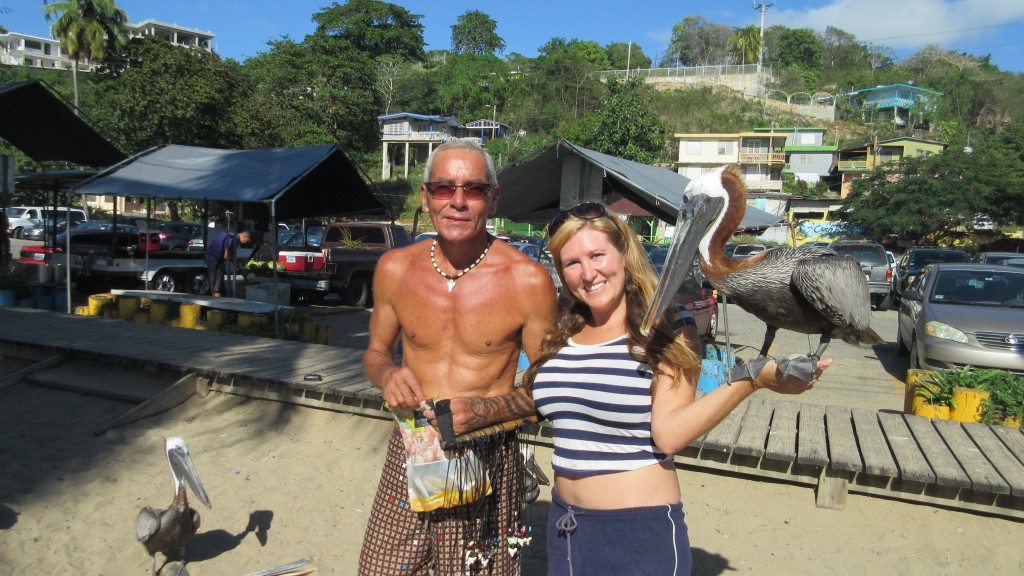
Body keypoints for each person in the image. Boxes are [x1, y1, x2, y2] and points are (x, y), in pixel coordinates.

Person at [525, 202, 831, 576]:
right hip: (564, 528)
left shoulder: (668, 323)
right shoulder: (564, 329)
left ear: (623, 253)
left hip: (638, 533)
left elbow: (669, 435)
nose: (588, 273)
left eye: (597, 255)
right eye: (572, 263)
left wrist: (753, 377)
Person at [359, 140, 557, 575]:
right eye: (444, 187)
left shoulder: (528, 280)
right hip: (411, 446)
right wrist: (388, 374)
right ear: (426, 197)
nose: (458, 201)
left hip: (489, 452)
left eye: (474, 188)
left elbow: (549, 386)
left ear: (494, 197)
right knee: (381, 567)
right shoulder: (395, 269)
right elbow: (375, 353)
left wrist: (485, 411)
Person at [204, 228, 250, 297]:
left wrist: (240, 265)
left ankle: (218, 293)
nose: (246, 243)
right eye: (246, 241)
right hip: (212, 257)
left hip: (219, 258)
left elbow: (232, 256)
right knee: (214, 277)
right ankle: (214, 295)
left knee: (220, 275)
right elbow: (227, 256)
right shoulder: (231, 238)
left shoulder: (235, 239)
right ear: (244, 237)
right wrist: (240, 269)